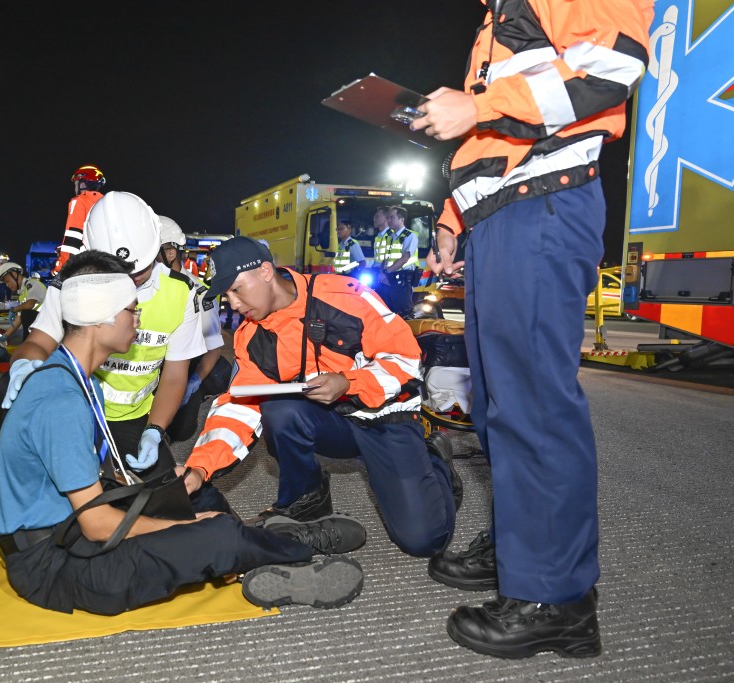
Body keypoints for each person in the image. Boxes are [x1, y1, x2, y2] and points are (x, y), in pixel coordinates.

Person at [411, 0, 653, 659]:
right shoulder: (498, 16)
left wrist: (478, 106)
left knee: (535, 404)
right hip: (501, 211)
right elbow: (491, 140)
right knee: (496, 404)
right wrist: (452, 220)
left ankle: (558, 595)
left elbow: (616, 64)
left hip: (547, 200)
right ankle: (523, 551)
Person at [0, 249, 367, 615]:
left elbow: (84, 477)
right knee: (211, 533)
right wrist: (183, 526)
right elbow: (97, 526)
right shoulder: (63, 399)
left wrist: (167, 497)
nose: (138, 318)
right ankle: (288, 546)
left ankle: (253, 548)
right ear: (102, 318)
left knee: (191, 495)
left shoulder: (82, 382)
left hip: (66, 528)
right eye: (131, 310)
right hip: (54, 564)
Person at [183, 237, 461, 552]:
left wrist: (349, 382)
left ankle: (435, 460)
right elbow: (238, 406)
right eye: (226, 296)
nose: (232, 304)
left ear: (264, 271)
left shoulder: (344, 295)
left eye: (236, 289)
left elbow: (406, 360)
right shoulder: (252, 336)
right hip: (333, 421)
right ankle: (306, 499)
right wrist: (199, 468)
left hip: (387, 417)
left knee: (424, 541)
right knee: (279, 410)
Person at [2, 191, 206, 477]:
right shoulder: (72, 284)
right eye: (122, 273)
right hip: (75, 408)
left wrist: (155, 430)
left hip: (135, 420)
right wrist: (24, 365)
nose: (132, 281)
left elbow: (174, 374)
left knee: (162, 500)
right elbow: (37, 342)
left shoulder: (182, 293)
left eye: (141, 270)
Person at [157, 216, 226, 442]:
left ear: (170, 253)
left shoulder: (200, 293)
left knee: (181, 431)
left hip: (186, 367)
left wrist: (193, 382)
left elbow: (213, 348)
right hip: (151, 365)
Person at [52, 164, 105, 275]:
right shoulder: (105, 201)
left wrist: (60, 269)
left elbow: (73, 239)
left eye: (76, 184)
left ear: (83, 183)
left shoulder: (80, 201)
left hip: (84, 268)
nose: (75, 187)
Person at [372, 206, 417, 317]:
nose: (388, 220)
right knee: (385, 313)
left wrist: (386, 272)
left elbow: (405, 258)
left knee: (403, 315)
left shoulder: (410, 235)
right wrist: (382, 273)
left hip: (402, 281)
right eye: (387, 218)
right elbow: (385, 259)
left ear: (401, 219)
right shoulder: (390, 237)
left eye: (392, 217)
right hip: (388, 280)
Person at [0, 261, 47, 343]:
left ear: (14, 274)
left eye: (7, 281)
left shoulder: (33, 284)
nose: (7, 285)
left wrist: (14, 309)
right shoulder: (23, 294)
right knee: (25, 315)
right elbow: (19, 318)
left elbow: (29, 305)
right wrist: (5, 335)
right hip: (39, 326)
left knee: (27, 314)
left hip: (46, 327)